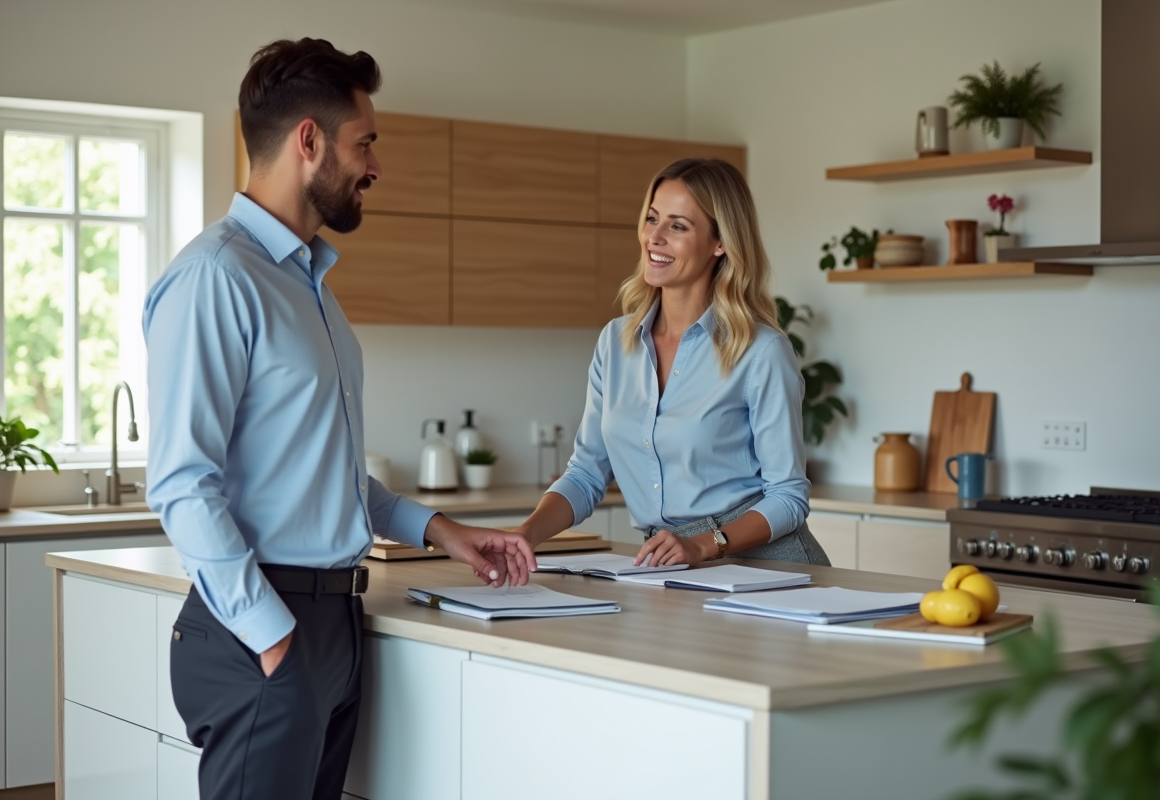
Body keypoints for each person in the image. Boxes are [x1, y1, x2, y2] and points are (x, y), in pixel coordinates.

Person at [143, 38, 535, 800]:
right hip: (265, 626)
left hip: (330, 623)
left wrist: (440, 531)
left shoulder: (309, 284)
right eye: (366, 143)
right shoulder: (216, 279)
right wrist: (273, 637)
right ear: (309, 140)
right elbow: (183, 483)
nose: (376, 167)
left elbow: (321, 470)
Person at [516, 158, 829, 568]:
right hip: (669, 564)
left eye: (677, 226)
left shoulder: (761, 351)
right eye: (651, 219)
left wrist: (703, 543)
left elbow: (788, 498)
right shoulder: (616, 342)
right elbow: (586, 475)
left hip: (769, 565)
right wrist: (526, 533)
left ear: (721, 243)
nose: (654, 238)